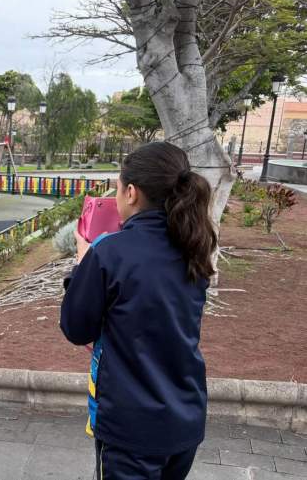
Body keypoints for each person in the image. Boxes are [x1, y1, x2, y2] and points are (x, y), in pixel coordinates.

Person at [60, 142, 217, 480]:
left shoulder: (109, 252)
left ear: (131, 193)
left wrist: (83, 264)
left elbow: (76, 327)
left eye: (117, 188)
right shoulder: (194, 246)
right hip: (184, 420)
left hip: (131, 429)